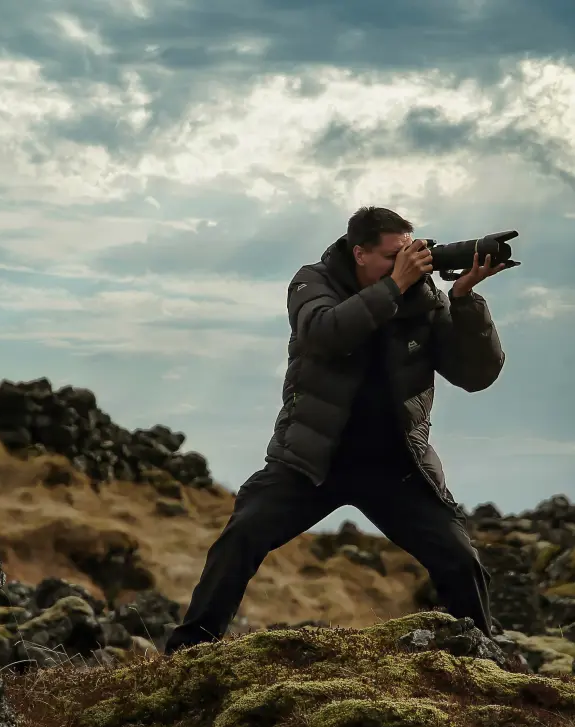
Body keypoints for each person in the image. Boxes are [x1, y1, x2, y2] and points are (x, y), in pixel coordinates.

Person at [163, 206, 513, 654]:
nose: (406, 262)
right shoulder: (314, 282)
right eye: (393, 256)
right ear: (359, 253)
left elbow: (475, 375)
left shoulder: (424, 297)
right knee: (242, 536)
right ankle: (187, 653)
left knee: (461, 562)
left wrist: (464, 299)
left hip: (395, 465)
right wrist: (396, 285)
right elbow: (324, 333)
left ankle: (483, 668)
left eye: (409, 252)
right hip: (313, 458)